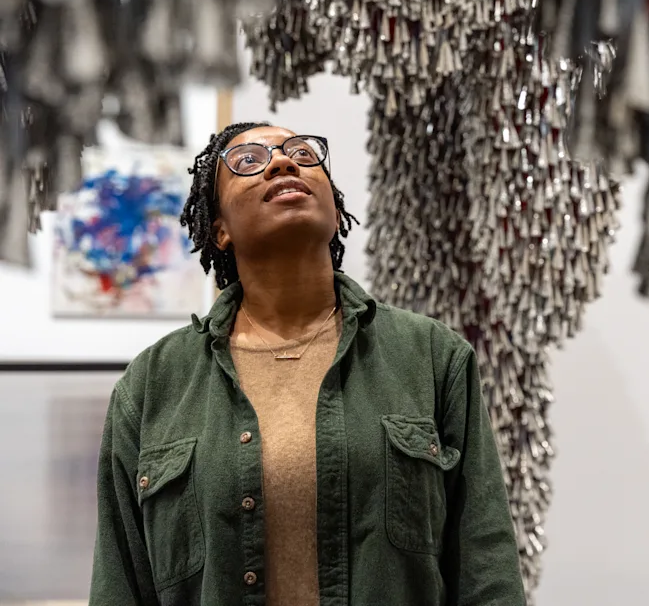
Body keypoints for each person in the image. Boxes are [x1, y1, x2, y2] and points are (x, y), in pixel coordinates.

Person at [88, 122, 526, 606]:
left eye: (301, 151)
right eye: (249, 161)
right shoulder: (154, 383)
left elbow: (486, 568)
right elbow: (119, 581)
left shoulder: (431, 356)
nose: (282, 161)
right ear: (220, 230)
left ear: (337, 212)